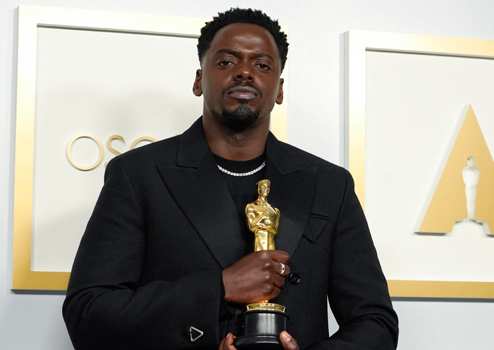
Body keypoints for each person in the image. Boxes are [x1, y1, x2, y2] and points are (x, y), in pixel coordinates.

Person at [63, 8, 398, 350]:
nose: (244, 73)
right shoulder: (138, 175)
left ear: (279, 89)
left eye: (262, 65)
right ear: (198, 80)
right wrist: (219, 288)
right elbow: (88, 315)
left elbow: (376, 324)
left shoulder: (330, 184)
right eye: (226, 62)